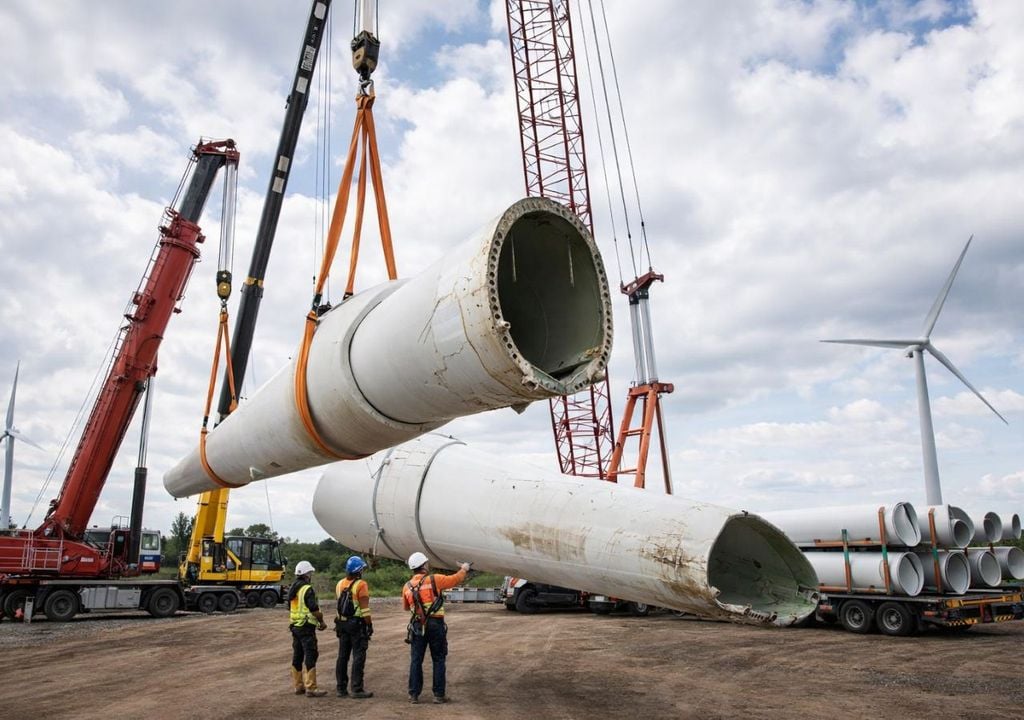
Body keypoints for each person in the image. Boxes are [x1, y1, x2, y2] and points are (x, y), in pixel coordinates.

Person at [402, 551, 471, 704]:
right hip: (435, 625)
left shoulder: (406, 587)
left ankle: (414, 694)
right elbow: (455, 579)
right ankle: (438, 695)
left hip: (417, 625)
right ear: (424, 566)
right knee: (438, 659)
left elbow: (406, 608)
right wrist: (464, 568)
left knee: (416, 660)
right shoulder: (435, 579)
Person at [334, 555, 374, 699]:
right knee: (358, 655)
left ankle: (341, 688)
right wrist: (369, 624)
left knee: (342, 656)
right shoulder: (361, 585)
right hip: (356, 624)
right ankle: (356, 689)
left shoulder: (339, 584)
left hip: (341, 624)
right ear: (358, 571)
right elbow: (365, 609)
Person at [288, 560, 328, 698]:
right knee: (311, 655)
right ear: (307, 574)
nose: (311, 575)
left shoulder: (293, 588)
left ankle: (298, 686)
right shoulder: (307, 589)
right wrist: (321, 621)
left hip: (295, 626)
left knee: (297, 655)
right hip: (306, 627)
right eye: (310, 573)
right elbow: (314, 609)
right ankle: (311, 687)